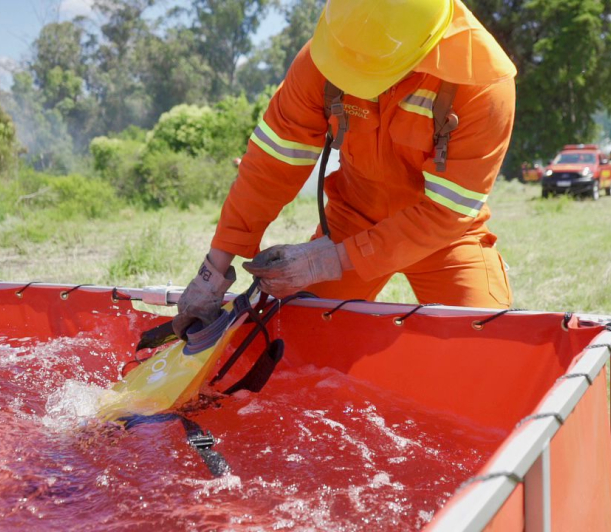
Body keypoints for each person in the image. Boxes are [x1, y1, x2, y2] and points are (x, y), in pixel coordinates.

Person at [172, 0, 518, 339]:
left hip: (443, 237)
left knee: (484, 341)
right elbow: (270, 165)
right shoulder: (328, 56)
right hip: (351, 221)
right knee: (294, 343)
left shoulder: (483, 85)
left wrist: (327, 261)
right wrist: (213, 271)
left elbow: (446, 211)